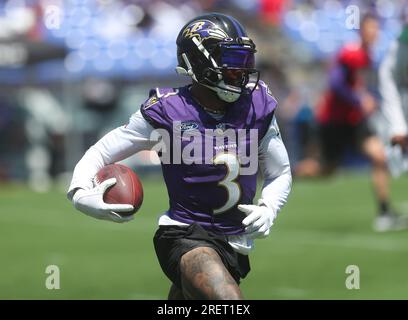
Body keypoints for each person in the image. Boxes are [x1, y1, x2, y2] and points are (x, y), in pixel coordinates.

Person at [67, 13, 292, 300]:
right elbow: (101, 152)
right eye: (233, 63)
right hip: (184, 234)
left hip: (234, 242)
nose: (242, 73)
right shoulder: (168, 110)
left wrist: (270, 207)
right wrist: (79, 193)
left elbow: (279, 171)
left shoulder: (257, 104)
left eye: (245, 63)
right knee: (228, 301)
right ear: (200, 63)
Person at [295, 14, 399, 232]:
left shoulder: (369, 56)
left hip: (356, 120)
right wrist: (359, 99)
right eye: (371, 28)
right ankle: (291, 173)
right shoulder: (350, 53)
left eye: (377, 29)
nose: (375, 33)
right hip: (334, 121)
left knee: (379, 156)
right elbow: (335, 83)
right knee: (326, 170)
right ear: (361, 30)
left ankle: (384, 212)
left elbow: (361, 86)